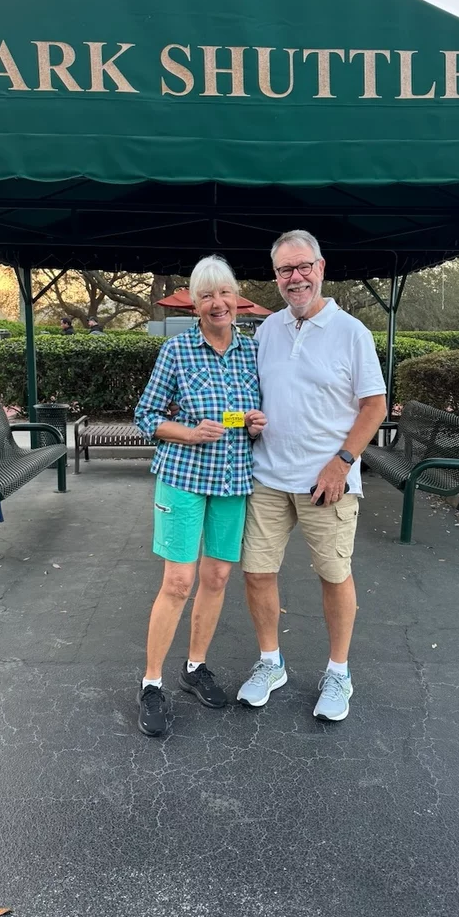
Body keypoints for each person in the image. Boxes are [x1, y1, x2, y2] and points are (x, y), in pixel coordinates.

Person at [238, 230, 387, 722]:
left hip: (328, 482)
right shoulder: (267, 330)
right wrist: (250, 420)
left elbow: (375, 406)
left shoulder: (352, 332)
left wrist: (342, 462)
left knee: (334, 575)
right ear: (276, 276)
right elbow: (259, 397)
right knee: (257, 572)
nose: (295, 277)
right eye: (285, 270)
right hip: (267, 476)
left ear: (321, 268)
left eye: (303, 267)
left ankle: (338, 672)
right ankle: (270, 663)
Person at [134, 255, 267, 737]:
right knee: (178, 582)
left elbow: (242, 416)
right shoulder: (177, 350)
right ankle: (151, 683)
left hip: (232, 480)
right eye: (207, 295)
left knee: (217, 576)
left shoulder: (253, 351)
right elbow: (146, 416)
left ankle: (195, 667)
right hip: (184, 477)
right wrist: (188, 433)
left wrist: (253, 423)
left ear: (237, 298)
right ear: (195, 304)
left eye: (225, 293)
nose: (218, 303)